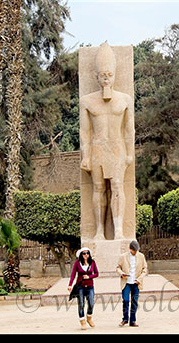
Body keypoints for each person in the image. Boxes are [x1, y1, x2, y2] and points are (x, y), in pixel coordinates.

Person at [80, 42, 135, 240]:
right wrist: (85, 156)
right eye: (102, 74)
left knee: (118, 186)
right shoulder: (87, 101)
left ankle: (119, 230)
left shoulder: (124, 99)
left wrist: (129, 153)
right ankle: (99, 232)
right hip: (97, 149)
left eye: (109, 74)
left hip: (117, 148)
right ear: (96, 76)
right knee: (99, 188)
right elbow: (84, 132)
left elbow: (129, 129)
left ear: (114, 75)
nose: (106, 78)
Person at [116, 240, 148, 327]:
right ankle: (125, 319)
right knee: (126, 300)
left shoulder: (141, 256)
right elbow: (118, 267)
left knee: (135, 302)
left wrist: (139, 279)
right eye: (134, 250)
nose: (135, 252)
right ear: (129, 248)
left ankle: (132, 321)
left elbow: (145, 269)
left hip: (136, 282)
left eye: (136, 250)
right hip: (126, 282)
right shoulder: (123, 256)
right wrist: (121, 273)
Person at [67, 247, 99, 330]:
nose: (86, 255)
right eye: (84, 253)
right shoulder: (77, 263)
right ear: (81, 254)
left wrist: (89, 276)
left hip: (90, 286)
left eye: (87, 253)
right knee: (81, 304)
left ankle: (89, 317)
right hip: (80, 286)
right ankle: (82, 321)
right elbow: (73, 274)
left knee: (91, 303)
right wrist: (70, 284)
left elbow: (96, 273)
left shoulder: (92, 262)